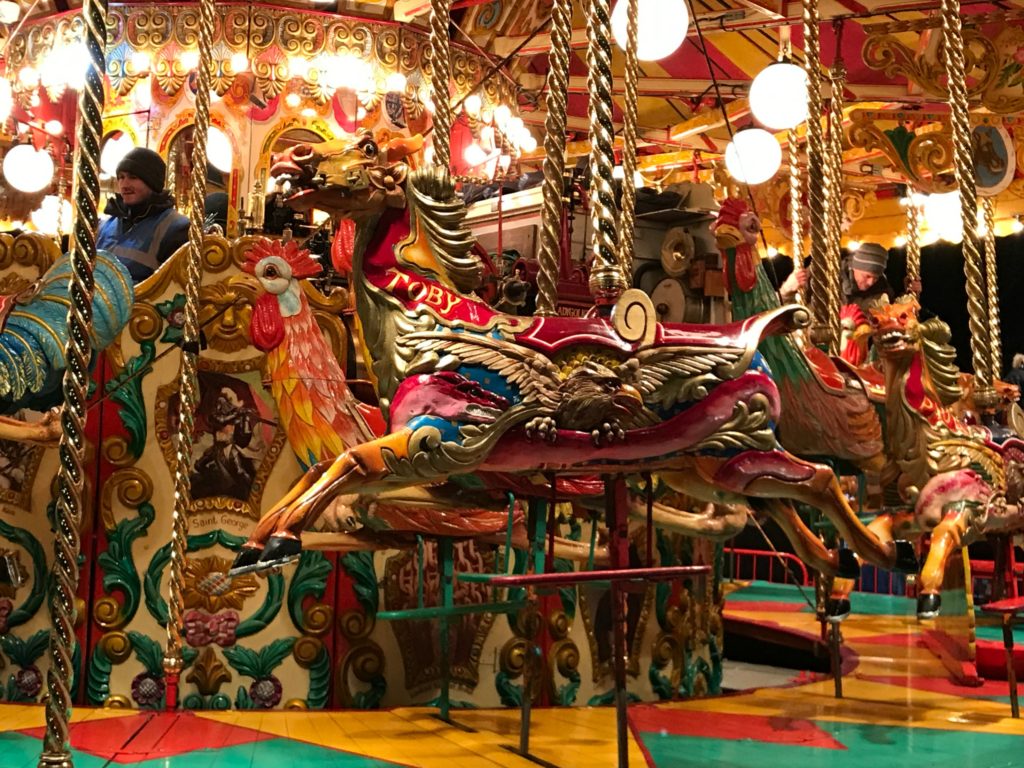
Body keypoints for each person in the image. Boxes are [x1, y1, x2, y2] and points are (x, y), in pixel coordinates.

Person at [97, 147, 189, 282]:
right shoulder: (105, 225)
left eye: (133, 177)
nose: (124, 184)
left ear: (152, 183)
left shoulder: (176, 228)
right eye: (121, 177)